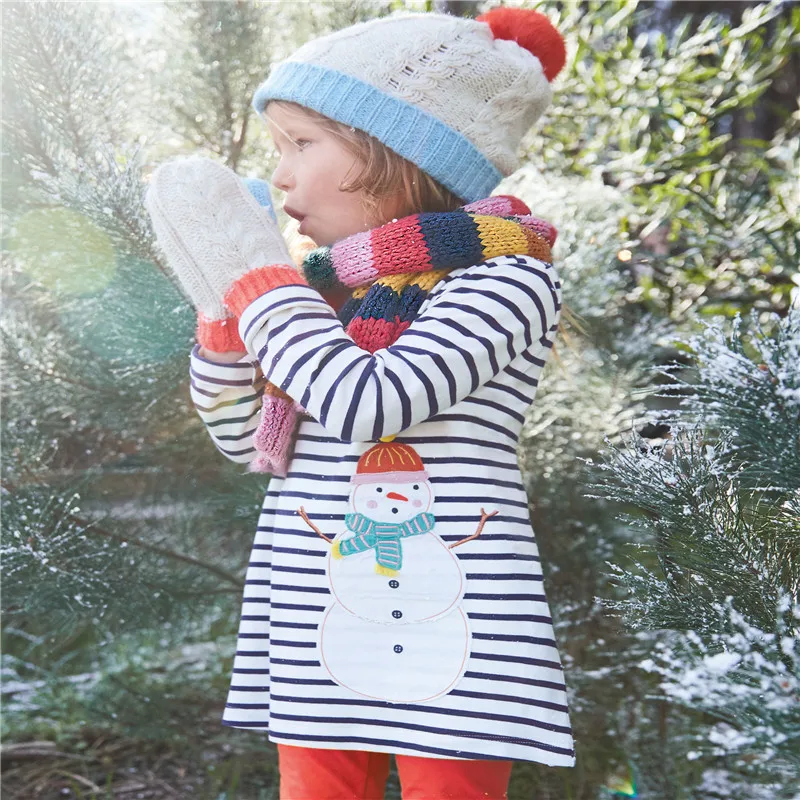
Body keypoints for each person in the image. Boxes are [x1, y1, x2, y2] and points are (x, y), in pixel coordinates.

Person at [144, 7, 576, 799]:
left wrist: (260, 282)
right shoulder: (330, 297)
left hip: (455, 632)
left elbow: (368, 404)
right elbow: (249, 439)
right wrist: (223, 320)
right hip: (319, 623)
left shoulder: (507, 281)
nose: (281, 176)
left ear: (401, 153)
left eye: (302, 143)